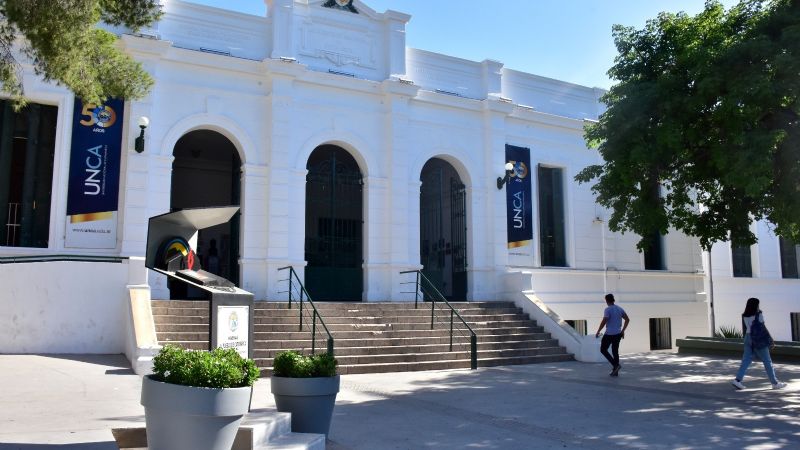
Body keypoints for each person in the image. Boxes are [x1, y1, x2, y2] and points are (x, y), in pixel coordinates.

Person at [731, 297, 787, 390]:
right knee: (767, 361)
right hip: (758, 339)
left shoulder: (744, 315)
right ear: (756, 305)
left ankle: (737, 380)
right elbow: (763, 328)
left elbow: (746, 328)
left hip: (748, 338)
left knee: (746, 360)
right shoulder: (758, 314)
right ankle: (775, 383)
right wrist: (771, 340)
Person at [595, 293, 630, 376]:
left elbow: (604, 321)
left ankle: (616, 365)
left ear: (607, 300)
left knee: (603, 350)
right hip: (618, 334)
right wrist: (622, 330)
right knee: (615, 351)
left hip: (609, 334)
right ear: (613, 299)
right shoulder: (619, 309)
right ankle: (615, 371)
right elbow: (627, 319)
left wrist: (598, 331)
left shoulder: (608, 309)